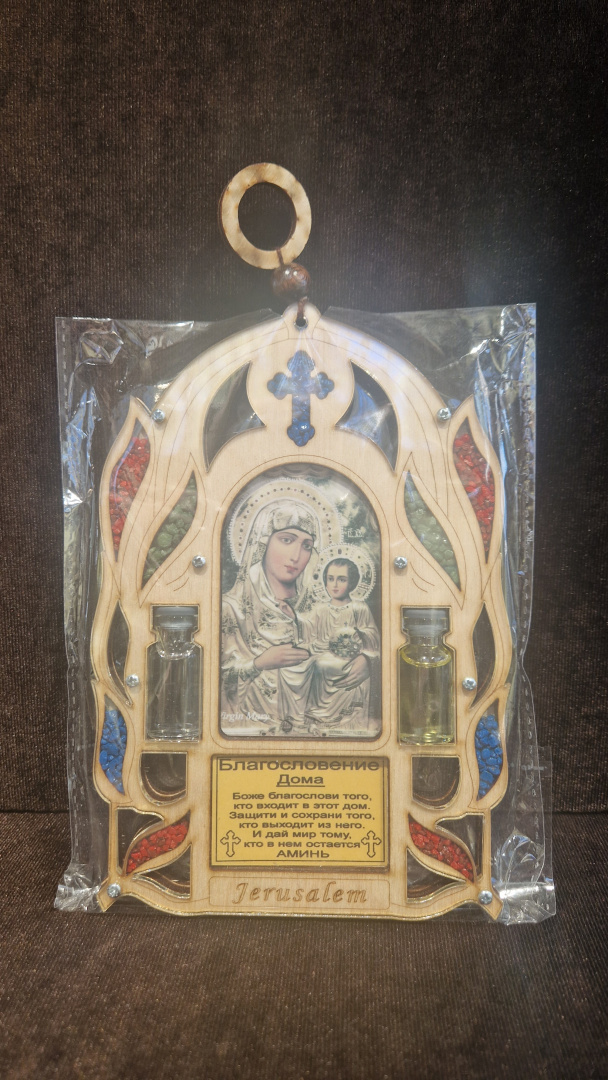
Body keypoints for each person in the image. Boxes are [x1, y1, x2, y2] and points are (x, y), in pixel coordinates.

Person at [220, 499, 319, 736]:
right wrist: (260, 663)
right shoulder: (231, 608)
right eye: (287, 540)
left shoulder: (316, 609)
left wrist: (363, 662)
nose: (296, 555)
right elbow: (216, 682)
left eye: (306, 546)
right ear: (263, 541)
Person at [303, 557, 381, 736]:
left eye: (342, 579)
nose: (335, 585)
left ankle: (349, 721)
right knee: (318, 664)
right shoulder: (320, 609)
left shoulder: (359, 608)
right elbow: (307, 632)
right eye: (330, 579)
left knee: (333, 666)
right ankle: (318, 716)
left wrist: (357, 635)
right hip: (323, 657)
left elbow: (373, 637)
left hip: (350, 659)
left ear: (352, 582)